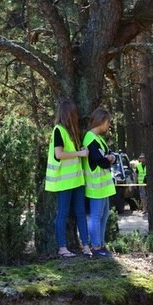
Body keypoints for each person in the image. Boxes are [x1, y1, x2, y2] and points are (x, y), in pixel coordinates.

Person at [45, 99, 90, 258]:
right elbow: (59, 154)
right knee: (63, 213)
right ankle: (62, 248)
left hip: (77, 181)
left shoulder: (71, 132)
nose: (77, 116)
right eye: (74, 113)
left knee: (80, 212)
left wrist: (81, 151)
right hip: (63, 182)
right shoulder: (58, 130)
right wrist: (79, 153)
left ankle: (85, 246)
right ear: (69, 114)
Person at [83, 108, 117, 258]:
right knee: (96, 217)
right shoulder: (90, 138)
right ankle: (96, 246)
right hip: (95, 186)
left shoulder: (99, 139)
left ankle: (101, 244)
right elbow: (101, 161)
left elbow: (110, 155)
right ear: (102, 121)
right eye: (108, 122)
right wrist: (109, 159)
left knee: (103, 217)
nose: (109, 125)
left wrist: (110, 158)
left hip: (104, 187)